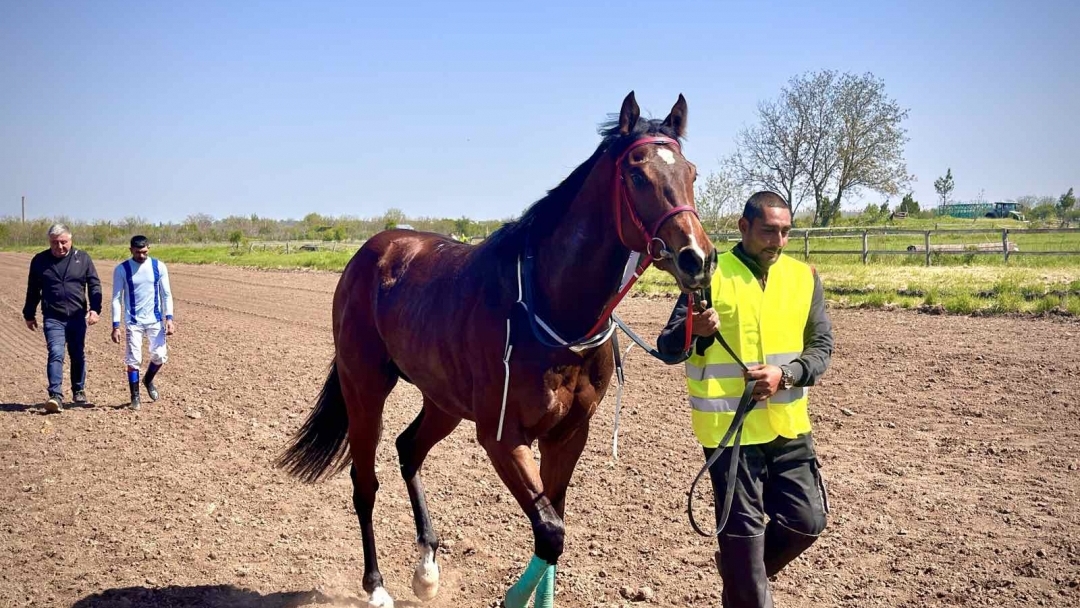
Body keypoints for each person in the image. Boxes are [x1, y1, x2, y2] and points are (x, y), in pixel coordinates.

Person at [657, 191, 834, 608]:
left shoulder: (803, 277)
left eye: (785, 232)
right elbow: (667, 347)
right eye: (769, 231)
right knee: (748, 559)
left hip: (788, 427)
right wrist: (694, 330)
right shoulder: (708, 275)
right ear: (744, 227)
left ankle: (737, 572)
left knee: (807, 523)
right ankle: (744, 575)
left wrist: (785, 374)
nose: (778, 241)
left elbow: (821, 346)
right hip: (729, 435)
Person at [22, 223, 103, 412]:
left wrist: (95, 309)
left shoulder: (82, 259)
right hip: (53, 317)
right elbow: (33, 289)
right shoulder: (40, 261)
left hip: (76, 316)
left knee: (77, 353)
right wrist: (29, 313)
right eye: (54, 243)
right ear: (49, 242)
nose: (59, 247)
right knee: (56, 352)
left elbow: (94, 285)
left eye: (63, 242)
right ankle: (55, 396)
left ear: (71, 240)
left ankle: (78, 389)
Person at [110, 235, 175, 410]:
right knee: (133, 360)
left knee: (160, 355)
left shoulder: (158, 267)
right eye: (138, 252)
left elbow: (166, 294)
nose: (142, 256)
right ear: (130, 250)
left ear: (149, 249)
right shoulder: (122, 269)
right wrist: (116, 325)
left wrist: (169, 318)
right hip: (133, 322)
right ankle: (135, 398)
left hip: (155, 319)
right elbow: (116, 298)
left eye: (145, 252)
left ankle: (148, 380)